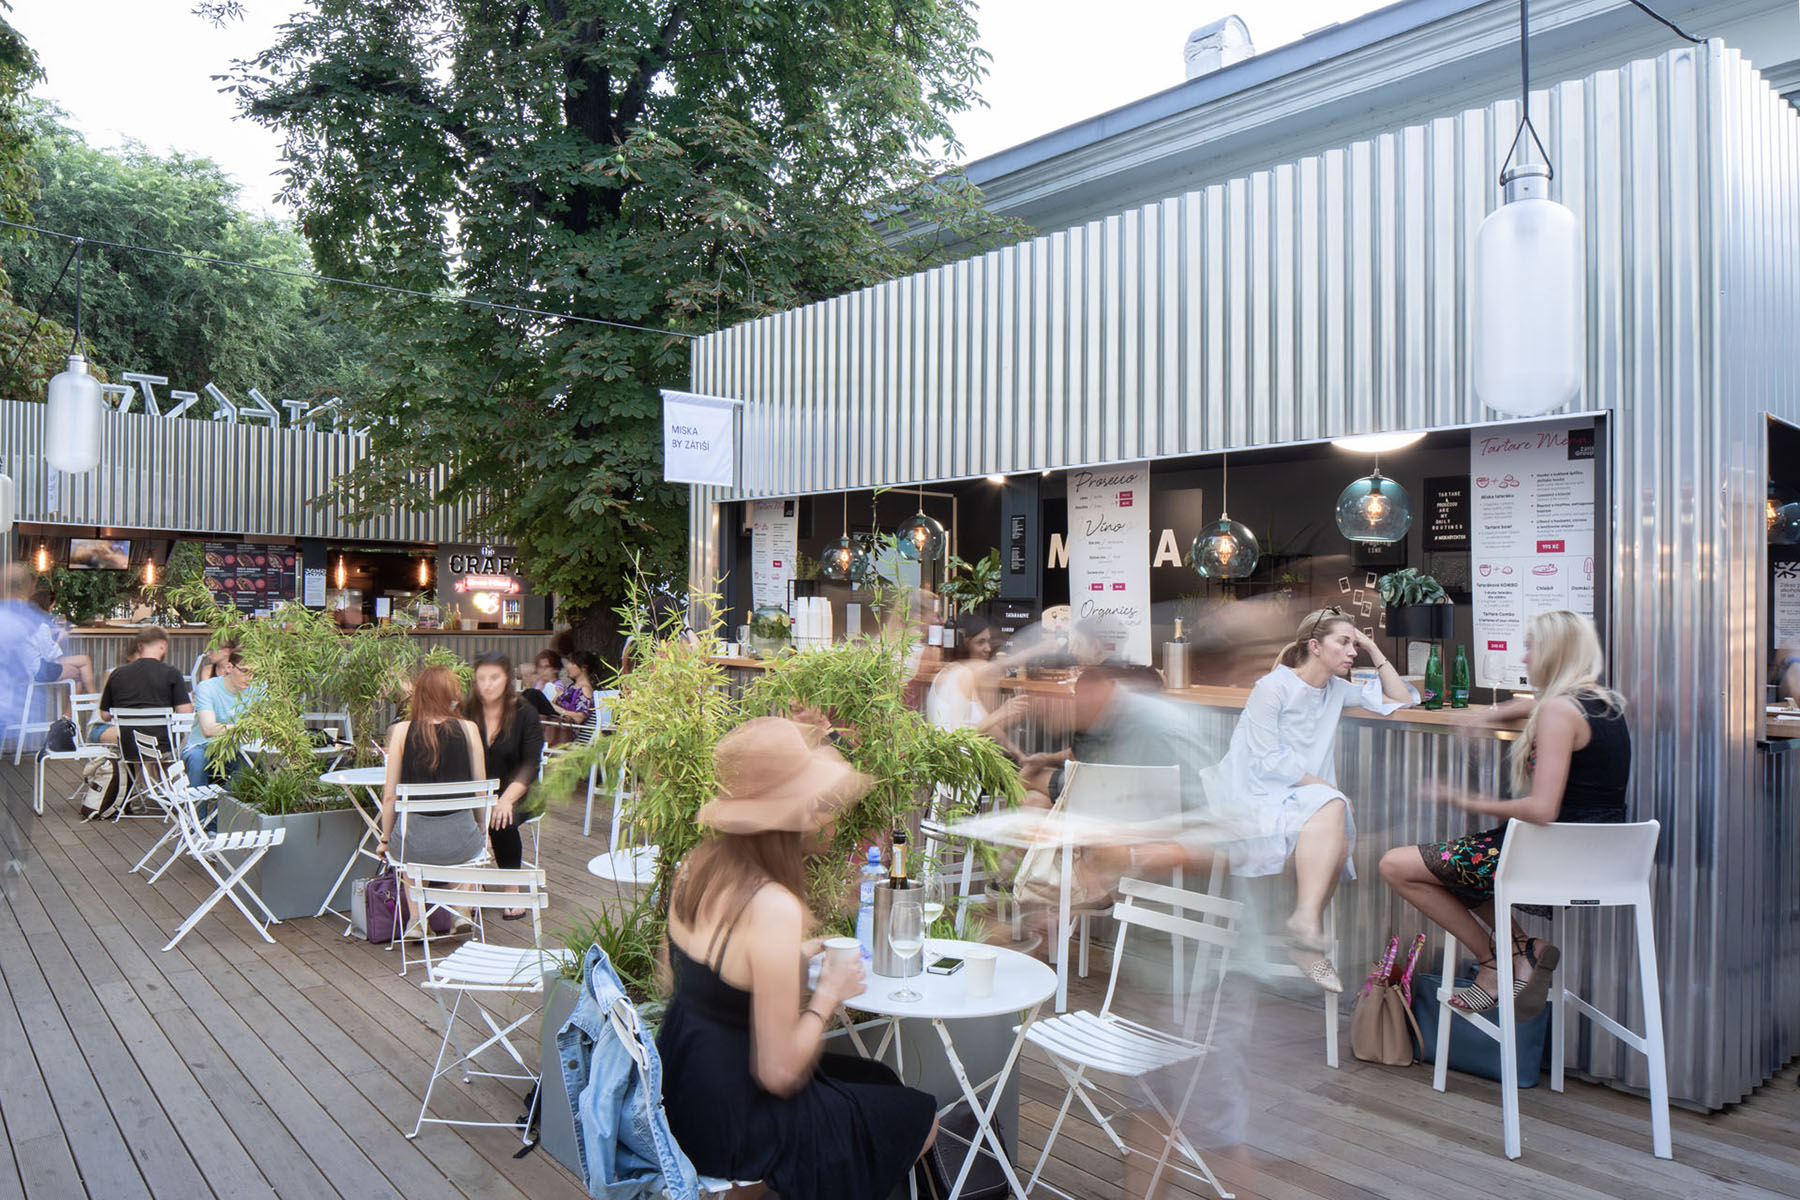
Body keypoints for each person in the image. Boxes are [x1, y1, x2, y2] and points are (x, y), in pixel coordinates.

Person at [657, 716, 937, 1199]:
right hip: (734, 1122)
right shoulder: (773, 905)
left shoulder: (698, 867)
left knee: (879, 1079)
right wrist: (827, 995)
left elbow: (687, 978)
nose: (828, 815)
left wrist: (794, 957)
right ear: (795, 811)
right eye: (819, 802)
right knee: (920, 1116)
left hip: (682, 1089)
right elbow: (779, 1073)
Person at [1379, 610, 1631, 1016]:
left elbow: (1542, 809)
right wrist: (1487, 714)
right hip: (1595, 856)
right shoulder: (1602, 705)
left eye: (1531, 647)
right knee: (1454, 867)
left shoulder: (1558, 711)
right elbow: (1531, 706)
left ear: (1554, 652)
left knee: (1396, 866)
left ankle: (1494, 963)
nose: (1525, 657)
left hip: (1551, 855)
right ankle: (1523, 949)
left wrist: (1460, 799)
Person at [1212, 607, 1416, 991]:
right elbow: (1267, 760)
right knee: (1334, 808)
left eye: (1355, 644)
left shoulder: (1336, 690)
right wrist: (1325, 789)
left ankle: (1305, 926)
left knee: (1333, 813)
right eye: (1344, 642)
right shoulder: (1272, 687)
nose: (1352, 651)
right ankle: (1305, 934)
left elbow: (1403, 699)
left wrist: (1373, 647)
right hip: (1256, 794)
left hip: (1306, 798)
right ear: (1315, 646)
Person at [379, 665, 488, 869]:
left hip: (412, 845)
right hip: (463, 842)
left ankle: (415, 891)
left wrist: (385, 840)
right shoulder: (469, 729)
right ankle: (462, 891)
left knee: (410, 862)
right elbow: (481, 791)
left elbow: (390, 797)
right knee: (465, 863)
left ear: (420, 695)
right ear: (451, 695)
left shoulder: (401, 731)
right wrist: (482, 830)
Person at [462, 651, 544, 919]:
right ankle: (469, 885)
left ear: (507, 679)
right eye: (482, 678)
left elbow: (531, 764)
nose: (487, 684)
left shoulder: (525, 713)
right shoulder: (467, 712)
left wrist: (506, 799)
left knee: (501, 819)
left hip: (520, 789)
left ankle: (511, 890)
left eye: (494, 677)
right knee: (457, 815)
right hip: (477, 790)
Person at [97, 627, 195, 751]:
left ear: (139, 646)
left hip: (128, 747)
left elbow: (105, 715)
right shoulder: (171, 673)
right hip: (162, 746)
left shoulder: (117, 674)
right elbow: (185, 711)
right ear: (163, 646)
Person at [182, 650, 255, 786]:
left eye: (255, 673)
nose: (250, 677)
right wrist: (244, 728)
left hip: (237, 748)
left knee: (249, 768)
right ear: (229, 667)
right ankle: (198, 800)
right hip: (202, 745)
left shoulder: (258, 689)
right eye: (245, 671)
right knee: (197, 760)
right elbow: (208, 729)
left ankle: (224, 800)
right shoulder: (207, 687)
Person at [24, 589, 95, 693]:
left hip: (29, 667)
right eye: (52, 607)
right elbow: (49, 656)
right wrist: (60, 638)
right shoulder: (42, 627)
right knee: (78, 673)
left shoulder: (29, 623)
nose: (52, 611)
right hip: (39, 670)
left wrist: (52, 633)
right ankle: (94, 699)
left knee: (84, 659)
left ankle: (91, 699)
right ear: (45, 606)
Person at [552, 649, 599, 724]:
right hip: (555, 723)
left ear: (584, 667)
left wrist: (556, 708)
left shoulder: (585, 689)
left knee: (534, 695)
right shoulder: (571, 686)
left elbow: (579, 718)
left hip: (565, 728)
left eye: (572, 663)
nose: (568, 666)